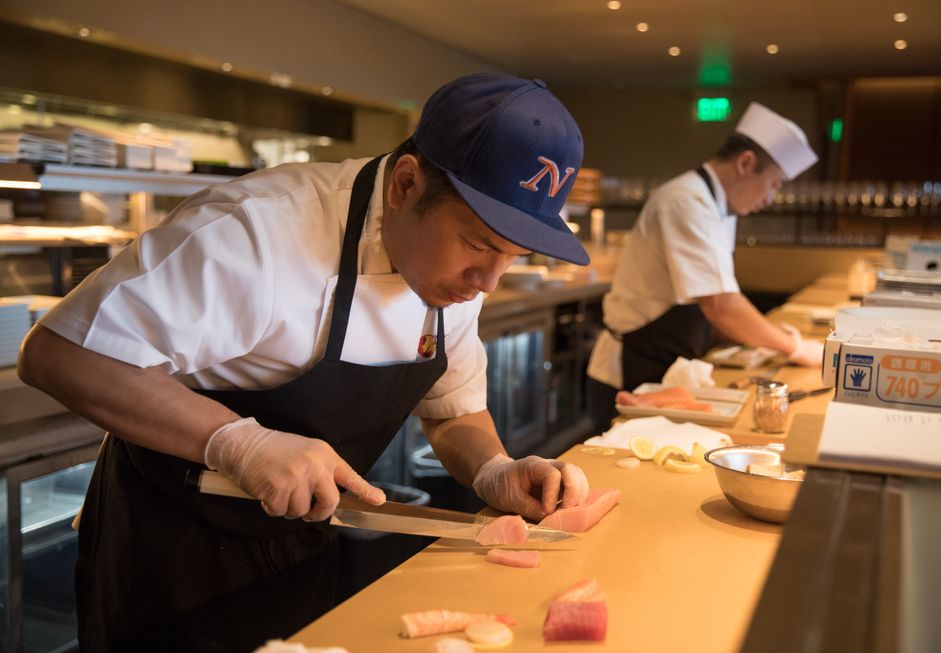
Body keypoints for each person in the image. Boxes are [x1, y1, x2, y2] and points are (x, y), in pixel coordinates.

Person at [17, 73, 592, 652]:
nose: (488, 281)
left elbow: (451, 413)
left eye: (513, 258)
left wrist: (494, 468)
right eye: (478, 245)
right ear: (406, 184)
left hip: (307, 540)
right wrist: (239, 443)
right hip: (170, 550)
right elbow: (58, 353)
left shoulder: (456, 282)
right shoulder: (256, 231)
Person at [586, 102, 825, 433]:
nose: (771, 199)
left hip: (667, 364)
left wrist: (764, 341)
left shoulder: (718, 205)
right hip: (633, 370)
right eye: (774, 184)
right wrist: (796, 348)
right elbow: (721, 305)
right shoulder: (687, 201)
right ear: (745, 163)